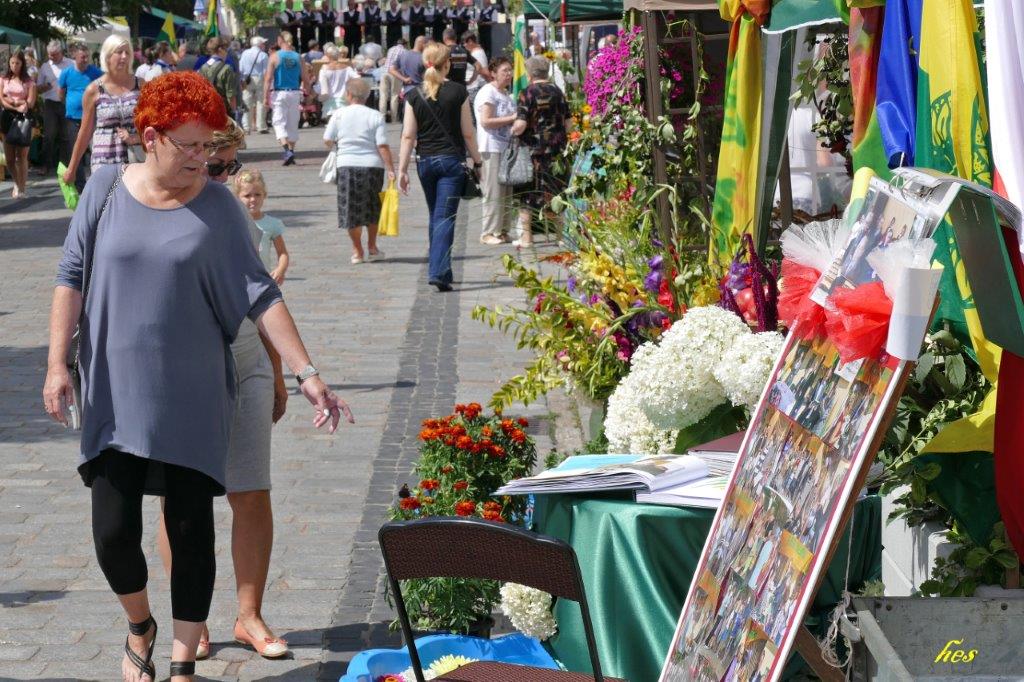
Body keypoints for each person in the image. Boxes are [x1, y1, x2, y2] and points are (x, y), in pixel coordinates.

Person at [43, 70, 354, 682]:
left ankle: (183, 661)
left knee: (190, 529)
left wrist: (307, 372)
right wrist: (57, 364)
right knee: (112, 533)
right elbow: (70, 276)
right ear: (150, 138)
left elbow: (259, 292)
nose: (201, 157)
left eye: (208, 145)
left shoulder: (217, 206)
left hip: (194, 393)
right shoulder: (105, 188)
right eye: (188, 145)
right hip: (113, 391)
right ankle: (140, 624)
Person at [152, 126, 289, 663]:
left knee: (251, 490)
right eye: (215, 167)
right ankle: (192, 618)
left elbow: (263, 296)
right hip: (185, 375)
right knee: (179, 498)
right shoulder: (157, 211)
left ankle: (249, 615)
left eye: (231, 166)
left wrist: (277, 371)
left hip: (247, 361)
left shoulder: (238, 218)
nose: (224, 177)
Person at [397, 42, 481, 291]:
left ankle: (442, 268)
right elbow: (468, 132)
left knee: (436, 214)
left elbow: (408, 136)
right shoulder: (458, 91)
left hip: (425, 162)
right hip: (451, 162)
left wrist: (402, 169)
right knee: (444, 216)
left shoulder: (414, 94)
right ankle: (439, 271)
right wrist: (478, 160)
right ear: (448, 64)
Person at [323, 77, 395, 264]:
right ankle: (372, 246)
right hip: (372, 166)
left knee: (350, 209)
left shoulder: (338, 114)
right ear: (367, 96)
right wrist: (390, 168)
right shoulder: (375, 116)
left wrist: (338, 143)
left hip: (346, 165)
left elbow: (327, 140)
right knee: (372, 207)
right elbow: (382, 145)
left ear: (348, 94)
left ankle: (357, 250)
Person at [63, 35, 140, 191]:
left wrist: (136, 138)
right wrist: (72, 168)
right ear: (108, 55)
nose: (124, 56)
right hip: (104, 160)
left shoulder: (141, 85)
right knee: (106, 203)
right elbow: (84, 132)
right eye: (119, 52)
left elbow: (154, 124)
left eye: (127, 52)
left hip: (135, 159)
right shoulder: (93, 90)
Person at [511, 56, 571, 247]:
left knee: (528, 193)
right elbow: (568, 124)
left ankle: (527, 238)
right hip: (557, 151)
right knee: (556, 191)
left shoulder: (527, 93)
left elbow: (521, 124)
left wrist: (512, 130)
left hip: (534, 153)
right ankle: (561, 236)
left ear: (529, 74)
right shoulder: (558, 92)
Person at [474, 57, 514, 245]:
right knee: (493, 191)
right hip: (491, 147)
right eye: (505, 70)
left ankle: (502, 230)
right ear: (493, 73)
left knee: (506, 192)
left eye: (510, 70)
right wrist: (512, 118)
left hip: (506, 147)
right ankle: (488, 231)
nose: (509, 74)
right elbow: (486, 121)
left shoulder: (506, 94)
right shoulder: (488, 93)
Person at [57, 42, 102, 193]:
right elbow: (61, 93)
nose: (85, 59)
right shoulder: (66, 73)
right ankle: (80, 186)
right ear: (74, 56)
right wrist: (70, 105)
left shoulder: (95, 72)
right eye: (82, 57)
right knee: (76, 151)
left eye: (87, 56)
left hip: (91, 118)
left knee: (95, 149)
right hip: (73, 118)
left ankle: (97, 181)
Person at [264, 31, 310, 166]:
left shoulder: (274, 56)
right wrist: (307, 93)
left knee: (278, 122)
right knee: (293, 123)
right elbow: (305, 78)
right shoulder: (298, 57)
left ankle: (286, 150)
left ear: (281, 40)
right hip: (295, 92)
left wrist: (265, 97)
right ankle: (291, 151)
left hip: (279, 92)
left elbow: (268, 79)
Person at [1, 50, 37, 198]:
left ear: (22, 64)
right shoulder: (3, 79)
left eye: (17, 63)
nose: (14, 66)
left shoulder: (29, 82)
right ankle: (17, 183)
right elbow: (2, 100)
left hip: (24, 119)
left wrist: (17, 101)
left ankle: (22, 188)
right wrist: (16, 104)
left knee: (21, 156)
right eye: (12, 63)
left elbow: (31, 102)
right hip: (7, 118)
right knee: (9, 158)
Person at [36, 40, 73, 178]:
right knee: (49, 136)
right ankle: (45, 165)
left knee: (65, 136)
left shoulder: (71, 64)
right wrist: (46, 86)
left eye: (54, 54)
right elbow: (38, 88)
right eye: (50, 54)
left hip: (66, 103)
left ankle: (64, 166)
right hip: (50, 104)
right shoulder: (45, 67)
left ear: (60, 52)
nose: (52, 57)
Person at [201, 37, 239, 119]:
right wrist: (234, 112)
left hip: (208, 109)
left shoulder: (203, 67)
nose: (227, 53)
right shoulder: (227, 68)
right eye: (226, 50)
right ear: (220, 50)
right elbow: (231, 95)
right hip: (223, 111)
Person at [239, 36, 270, 134]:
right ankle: (261, 126)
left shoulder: (245, 53)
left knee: (247, 102)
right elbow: (265, 71)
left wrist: (242, 79)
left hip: (247, 79)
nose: (264, 45)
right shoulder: (263, 55)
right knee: (260, 102)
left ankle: (246, 127)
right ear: (260, 44)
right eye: (263, 44)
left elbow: (241, 68)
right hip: (259, 79)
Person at [318, 44, 359, 117]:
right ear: (338, 55)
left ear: (327, 56)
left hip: (329, 106)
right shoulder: (347, 68)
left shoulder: (324, 69)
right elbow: (358, 78)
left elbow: (322, 87)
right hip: (343, 104)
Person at [379, 37, 405, 122]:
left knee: (383, 95)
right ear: (404, 44)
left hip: (384, 72)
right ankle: (394, 118)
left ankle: (382, 117)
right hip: (395, 73)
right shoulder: (404, 51)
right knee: (394, 95)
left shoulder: (391, 49)